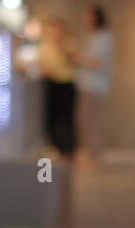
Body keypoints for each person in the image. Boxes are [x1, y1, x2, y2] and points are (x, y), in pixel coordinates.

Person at [73, 5, 114, 166]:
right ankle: (92, 157)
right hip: (88, 86)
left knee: (90, 123)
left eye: (88, 17)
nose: (85, 20)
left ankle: (95, 159)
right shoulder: (94, 37)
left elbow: (98, 62)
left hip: (94, 87)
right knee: (86, 123)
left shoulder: (103, 38)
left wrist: (79, 58)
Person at [38, 18, 77, 157]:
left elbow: (74, 61)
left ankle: (68, 150)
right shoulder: (44, 46)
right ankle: (53, 147)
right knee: (51, 117)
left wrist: (62, 48)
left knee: (67, 118)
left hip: (66, 84)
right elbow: (41, 65)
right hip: (51, 84)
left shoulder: (68, 45)